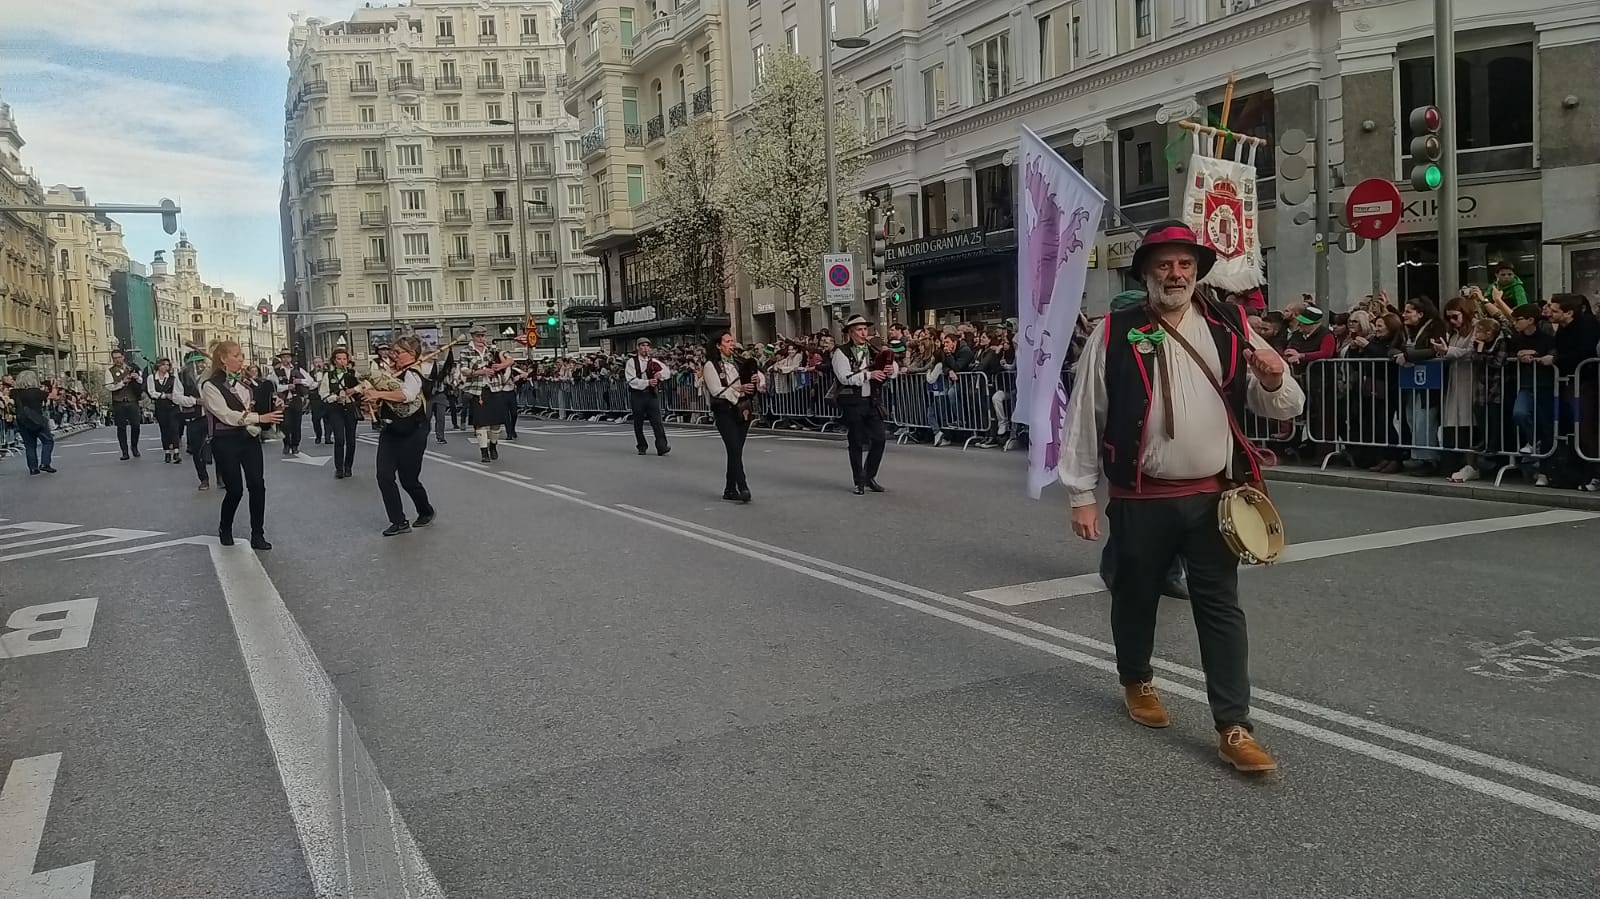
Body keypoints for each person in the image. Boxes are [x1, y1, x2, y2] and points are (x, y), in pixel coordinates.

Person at [1060, 222, 1305, 774]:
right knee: (1135, 595)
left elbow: (1284, 405)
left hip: (1214, 498)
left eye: (1185, 265)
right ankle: (1137, 679)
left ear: (1197, 271)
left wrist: (1271, 378)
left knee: (1220, 607)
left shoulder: (1230, 323)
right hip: (1139, 496)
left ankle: (1234, 726)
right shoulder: (1114, 330)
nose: (1176, 274)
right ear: (1146, 272)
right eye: (1164, 265)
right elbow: (1085, 414)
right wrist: (1081, 493)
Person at [1095, 290, 1189, 601]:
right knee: (1128, 518)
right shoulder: (1113, 341)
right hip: (1129, 444)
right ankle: (1112, 567)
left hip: (1174, 442)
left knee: (1177, 517)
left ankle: (1171, 573)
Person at [200, 340, 281, 550]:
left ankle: (258, 534)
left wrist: (273, 404)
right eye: (236, 355)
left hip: (249, 438)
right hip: (225, 440)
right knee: (235, 489)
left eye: (241, 355)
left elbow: (258, 404)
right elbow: (226, 415)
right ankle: (225, 528)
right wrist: (259, 417)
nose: (241, 359)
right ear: (223, 359)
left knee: (257, 485)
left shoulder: (246, 384)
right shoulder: (210, 386)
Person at [366, 335, 436, 536]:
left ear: (412, 354)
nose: (393, 355)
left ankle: (425, 510)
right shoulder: (391, 373)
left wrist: (379, 395)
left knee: (408, 479)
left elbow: (407, 396)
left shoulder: (415, 373)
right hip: (390, 430)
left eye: (398, 352)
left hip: (414, 430)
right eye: (393, 352)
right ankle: (398, 521)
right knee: (384, 475)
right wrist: (372, 401)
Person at [831, 314, 894, 494]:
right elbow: (844, 377)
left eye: (865, 329)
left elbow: (891, 366)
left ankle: (869, 476)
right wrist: (868, 375)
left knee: (880, 439)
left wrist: (890, 370)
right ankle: (859, 480)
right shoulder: (841, 352)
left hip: (872, 400)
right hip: (853, 401)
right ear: (851, 333)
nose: (863, 332)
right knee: (857, 441)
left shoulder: (873, 349)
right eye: (859, 330)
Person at [703, 331, 764, 502]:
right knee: (734, 449)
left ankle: (730, 489)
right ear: (718, 345)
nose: (731, 344)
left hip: (742, 409)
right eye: (728, 341)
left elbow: (754, 377)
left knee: (735, 451)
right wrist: (738, 390)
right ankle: (742, 486)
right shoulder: (711, 365)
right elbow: (716, 390)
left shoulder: (739, 362)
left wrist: (755, 381)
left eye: (732, 341)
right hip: (724, 411)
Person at [459, 324, 511, 463]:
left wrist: (502, 365)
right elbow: (463, 369)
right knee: (481, 423)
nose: (481, 338)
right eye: (478, 336)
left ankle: (493, 445)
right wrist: (479, 372)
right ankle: (483, 451)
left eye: (483, 335)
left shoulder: (492, 349)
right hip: (477, 390)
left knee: (496, 423)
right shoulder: (466, 351)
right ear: (473, 336)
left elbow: (509, 359)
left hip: (494, 387)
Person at [170, 348, 213, 490]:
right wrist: (195, 401)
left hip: (213, 415)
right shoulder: (181, 376)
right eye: (196, 363)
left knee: (220, 447)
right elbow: (177, 397)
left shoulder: (211, 374)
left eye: (201, 362)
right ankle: (203, 478)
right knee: (196, 450)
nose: (199, 365)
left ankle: (221, 476)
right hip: (194, 417)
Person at [318, 348, 363, 479]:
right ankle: (339, 468)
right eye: (339, 359)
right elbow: (323, 394)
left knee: (351, 440)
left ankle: (348, 466)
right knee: (339, 439)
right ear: (334, 360)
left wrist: (353, 390)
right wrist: (336, 397)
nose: (342, 361)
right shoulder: (329, 375)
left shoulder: (353, 373)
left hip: (350, 407)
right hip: (335, 409)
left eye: (344, 358)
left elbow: (364, 385)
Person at [626, 338, 672, 456]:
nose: (645, 348)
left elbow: (667, 372)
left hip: (651, 394)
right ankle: (642, 445)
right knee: (638, 421)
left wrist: (660, 374)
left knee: (657, 421)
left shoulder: (654, 361)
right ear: (638, 347)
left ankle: (662, 446)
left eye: (647, 346)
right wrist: (647, 382)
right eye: (642, 346)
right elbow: (631, 380)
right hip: (638, 395)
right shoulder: (632, 362)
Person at [10, 369, 57, 475]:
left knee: (30, 445)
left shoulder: (14, 393)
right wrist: (54, 386)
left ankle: (33, 468)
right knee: (48, 441)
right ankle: (45, 463)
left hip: (22, 420)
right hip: (36, 419)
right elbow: (53, 396)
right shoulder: (36, 392)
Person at [105, 348, 145, 459]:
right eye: (115, 358)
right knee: (121, 428)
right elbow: (109, 386)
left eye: (119, 357)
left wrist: (137, 378)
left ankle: (134, 447)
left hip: (132, 400)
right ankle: (124, 451)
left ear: (123, 357)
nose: (117, 360)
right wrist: (122, 383)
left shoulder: (132, 368)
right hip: (119, 402)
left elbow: (141, 381)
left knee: (136, 425)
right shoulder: (110, 371)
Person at [273, 350, 313, 456]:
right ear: (280, 359)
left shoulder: (297, 369)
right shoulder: (275, 371)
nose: (286, 359)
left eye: (287, 357)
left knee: (296, 424)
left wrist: (300, 381)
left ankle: (295, 445)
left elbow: (310, 381)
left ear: (291, 358)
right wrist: (287, 387)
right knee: (285, 424)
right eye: (283, 357)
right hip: (283, 401)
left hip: (296, 400)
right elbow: (273, 386)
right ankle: (286, 444)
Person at [146, 358, 184, 464]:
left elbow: (178, 391)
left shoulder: (173, 378)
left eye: (167, 365)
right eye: (163, 365)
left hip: (173, 406)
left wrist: (175, 397)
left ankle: (176, 452)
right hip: (161, 407)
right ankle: (167, 452)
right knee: (164, 429)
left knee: (174, 428)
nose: (165, 367)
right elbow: (151, 392)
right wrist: (164, 395)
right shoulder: (152, 378)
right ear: (158, 366)